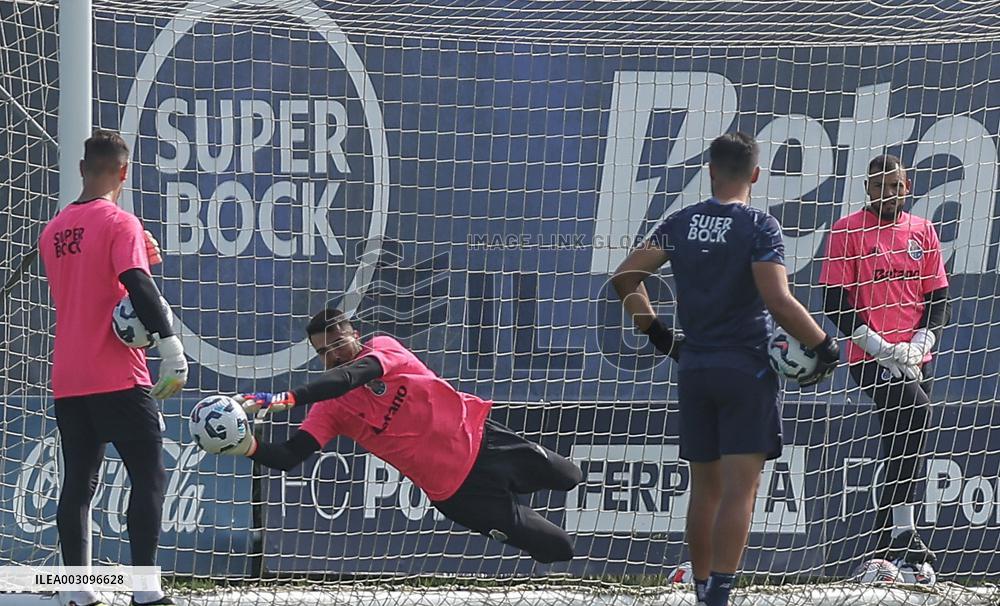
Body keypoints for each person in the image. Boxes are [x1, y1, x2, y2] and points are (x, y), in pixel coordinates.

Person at [612, 132, 839, 606]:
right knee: (741, 490)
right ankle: (720, 594)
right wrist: (824, 345)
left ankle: (700, 591)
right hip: (747, 370)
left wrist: (659, 335)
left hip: (695, 367)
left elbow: (625, 278)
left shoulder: (682, 221)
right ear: (756, 173)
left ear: (710, 170)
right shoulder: (759, 225)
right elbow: (778, 300)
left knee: (705, 489)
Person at [218, 308, 582, 564]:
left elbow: (351, 376)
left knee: (570, 476)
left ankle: (515, 491)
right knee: (558, 549)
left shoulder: (383, 349)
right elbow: (289, 456)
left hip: (485, 441)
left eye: (337, 344)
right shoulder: (330, 409)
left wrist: (289, 397)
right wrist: (244, 445)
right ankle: (514, 517)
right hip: (458, 492)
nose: (332, 357)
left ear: (355, 335)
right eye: (322, 353)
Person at [39, 129, 188, 606]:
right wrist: (171, 348)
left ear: (82, 168)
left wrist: (136, 257)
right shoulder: (119, 221)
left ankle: (75, 594)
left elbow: (93, 289)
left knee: (78, 483)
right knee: (148, 475)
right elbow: (137, 289)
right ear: (124, 173)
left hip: (67, 376)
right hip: (117, 374)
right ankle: (144, 593)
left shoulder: (53, 230)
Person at [819, 154, 949, 566]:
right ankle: (904, 530)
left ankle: (888, 547)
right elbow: (834, 300)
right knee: (917, 412)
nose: (889, 193)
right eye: (881, 186)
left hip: (915, 355)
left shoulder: (923, 230)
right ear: (868, 188)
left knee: (901, 440)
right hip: (869, 356)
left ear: (907, 187)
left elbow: (938, 297)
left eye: (897, 186)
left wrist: (920, 341)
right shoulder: (846, 232)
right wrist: (880, 347)